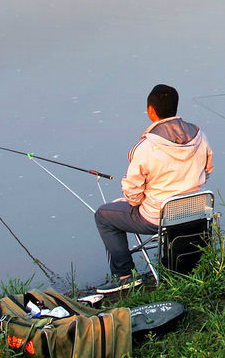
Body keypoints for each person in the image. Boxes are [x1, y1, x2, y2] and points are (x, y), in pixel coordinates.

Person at [93, 84, 213, 293]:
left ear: (151, 111)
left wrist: (136, 202)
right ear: (175, 107)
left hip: (158, 217)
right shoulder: (200, 136)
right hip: (196, 212)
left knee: (103, 215)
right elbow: (208, 170)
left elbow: (132, 192)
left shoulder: (145, 147)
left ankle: (124, 276)